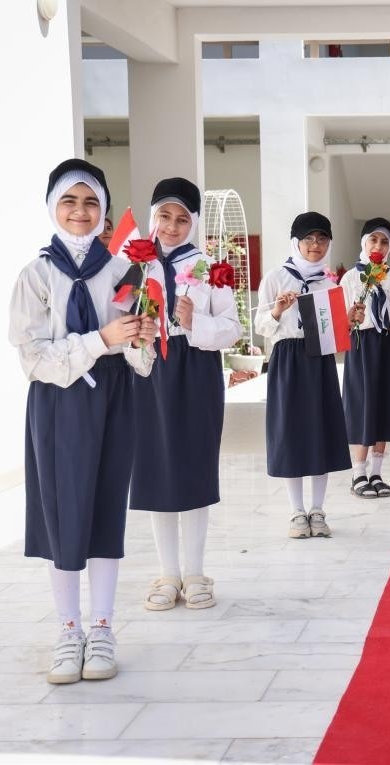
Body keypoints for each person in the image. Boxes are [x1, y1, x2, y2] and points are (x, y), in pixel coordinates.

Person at [9, 158, 156, 684]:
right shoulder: (35, 275)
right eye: (69, 201)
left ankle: (103, 628)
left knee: (105, 511)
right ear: (53, 207)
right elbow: (34, 358)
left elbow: (141, 361)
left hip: (113, 398)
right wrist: (101, 340)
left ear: (104, 210)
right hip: (59, 404)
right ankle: (68, 630)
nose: (80, 211)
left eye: (91, 201)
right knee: (63, 514)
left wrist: (142, 337)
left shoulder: (123, 271)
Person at [130, 178, 241, 612]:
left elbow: (232, 328)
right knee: (156, 469)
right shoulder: (135, 264)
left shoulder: (210, 268)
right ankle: (167, 574)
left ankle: (195, 573)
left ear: (193, 222)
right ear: (153, 216)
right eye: (165, 216)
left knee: (194, 468)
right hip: (150, 370)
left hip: (195, 371)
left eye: (181, 219)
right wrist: (136, 332)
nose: (172, 226)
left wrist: (196, 323)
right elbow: (118, 318)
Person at [254, 212, 352, 539]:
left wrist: (349, 320)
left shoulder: (329, 283)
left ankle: (318, 510)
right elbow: (261, 327)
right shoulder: (276, 277)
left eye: (322, 238)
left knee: (321, 431)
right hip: (287, 358)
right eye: (308, 238)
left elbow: (335, 333)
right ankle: (296, 511)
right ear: (295, 242)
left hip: (320, 360)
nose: (315, 245)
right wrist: (278, 310)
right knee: (291, 433)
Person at [340, 218, 390, 498]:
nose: (378, 246)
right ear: (364, 243)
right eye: (373, 240)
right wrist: (352, 317)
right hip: (361, 346)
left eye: (385, 242)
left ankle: (376, 472)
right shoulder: (351, 278)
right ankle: (358, 473)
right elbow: (342, 321)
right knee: (362, 405)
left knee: (384, 404)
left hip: (386, 345)